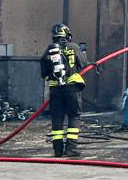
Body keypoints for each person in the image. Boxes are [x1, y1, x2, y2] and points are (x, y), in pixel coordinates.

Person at [40, 23, 88, 157]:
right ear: (67, 35)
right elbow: (83, 63)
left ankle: (57, 150)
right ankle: (71, 148)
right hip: (72, 88)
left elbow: (43, 73)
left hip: (55, 90)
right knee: (74, 116)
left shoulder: (49, 50)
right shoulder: (74, 47)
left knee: (57, 118)